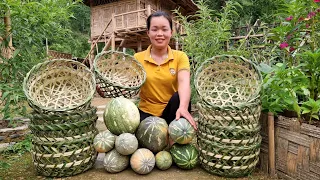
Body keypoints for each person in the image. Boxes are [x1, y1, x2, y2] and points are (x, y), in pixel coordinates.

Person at [134, 11, 197, 130]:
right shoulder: (138, 58)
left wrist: (183, 107)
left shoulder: (180, 56)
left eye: (164, 29)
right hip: (146, 113)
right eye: (154, 29)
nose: (159, 34)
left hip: (172, 112)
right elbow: (129, 85)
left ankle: (174, 136)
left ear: (171, 32)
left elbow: (184, 83)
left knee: (179, 97)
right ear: (148, 33)